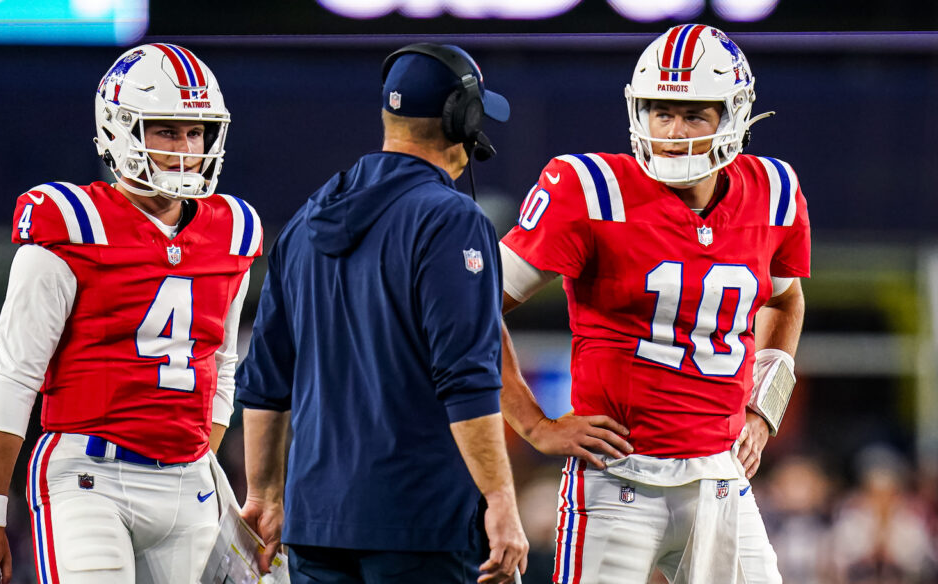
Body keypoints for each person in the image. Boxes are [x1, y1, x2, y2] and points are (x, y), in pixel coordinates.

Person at [498, 25, 810, 583]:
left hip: (721, 477)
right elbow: (468, 308)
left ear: (733, 115)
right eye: (660, 112)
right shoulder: (590, 188)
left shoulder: (774, 191)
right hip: (617, 479)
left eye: (694, 115)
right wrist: (534, 424)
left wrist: (765, 409)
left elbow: (785, 302)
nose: (673, 132)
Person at [0, 43, 261, 584]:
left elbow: (222, 366)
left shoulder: (233, 231)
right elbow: (14, 379)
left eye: (196, 132)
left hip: (186, 484)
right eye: (166, 130)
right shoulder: (71, 225)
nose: (185, 149)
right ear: (121, 131)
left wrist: (194, 465)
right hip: (88, 475)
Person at [235, 43, 528, 584]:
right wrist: (500, 499)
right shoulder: (451, 219)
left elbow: (264, 381)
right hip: (421, 525)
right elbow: (465, 376)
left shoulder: (304, 222)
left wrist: (264, 495)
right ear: (458, 118)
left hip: (315, 526)